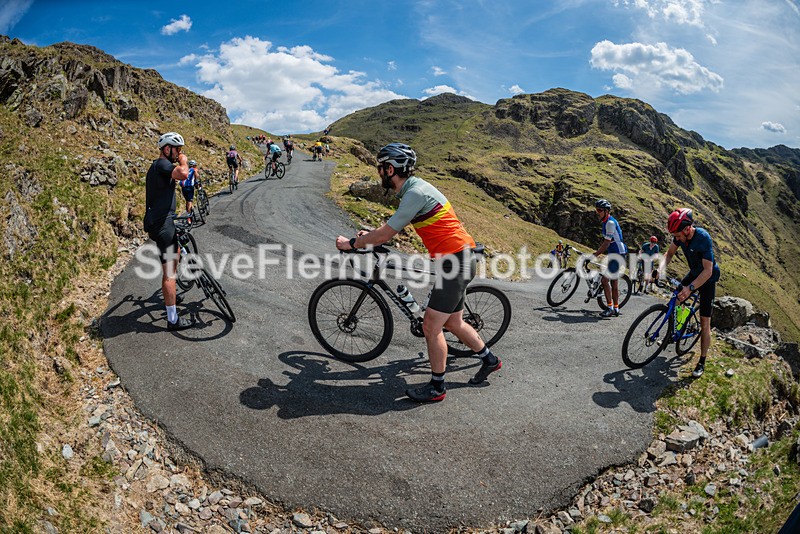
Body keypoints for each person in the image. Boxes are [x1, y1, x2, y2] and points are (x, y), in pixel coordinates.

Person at [335, 143, 502, 403]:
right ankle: (489, 360)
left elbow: (388, 233)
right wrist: (370, 236)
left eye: (381, 169)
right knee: (453, 322)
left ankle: (437, 388)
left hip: (455, 263)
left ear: (390, 169)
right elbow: (391, 227)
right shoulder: (415, 188)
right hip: (460, 258)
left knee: (431, 326)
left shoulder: (414, 193)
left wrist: (352, 244)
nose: (380, 174)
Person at [143, 132, 196, 331]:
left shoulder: (159, 168)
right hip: (163, 224)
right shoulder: (162, 164)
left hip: (163, 222)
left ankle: (172, 297)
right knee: (170, 274)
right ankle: (172, 319)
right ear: (167, 149)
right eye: (177, 149)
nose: (179, 153)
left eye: (181, 150)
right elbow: (183, 174)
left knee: (175, 256)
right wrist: (183, 161)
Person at [659, 208, 720, 378]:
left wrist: (690, 288)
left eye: (678, 235)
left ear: (687, 229)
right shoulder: (680, 236)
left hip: (708, 279)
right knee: (676, 299)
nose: (676, 239)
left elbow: (707, 271)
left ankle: (701, 361)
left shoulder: (703, 238)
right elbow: (669, 253)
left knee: (705, 322)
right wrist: (659, 270)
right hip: (694, 273)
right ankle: (679, 327)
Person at [592, 199, 628, 317]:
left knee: (605, 280)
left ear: (607, 211)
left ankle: (610, 307)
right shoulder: (606, 222)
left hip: (618, 253)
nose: (598, 212)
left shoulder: (610, 223)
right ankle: (616, 308)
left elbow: (607, 243)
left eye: (600, 210)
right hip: (615, 253)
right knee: (613, 282)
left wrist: (595, 254)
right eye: (596, 210)